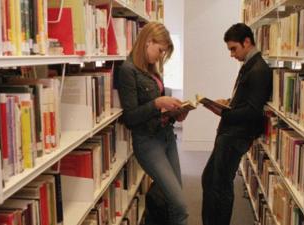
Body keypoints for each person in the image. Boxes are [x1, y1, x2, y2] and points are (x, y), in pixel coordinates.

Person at [115, 22, 188, 225]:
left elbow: (159, 111)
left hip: (166, 136)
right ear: (148, 42)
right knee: (180, 205)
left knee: (174, 201)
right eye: (160, 50)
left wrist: (175, 114)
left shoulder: (152, 70)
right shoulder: (128, 71)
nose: (160, 56)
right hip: (148, 143)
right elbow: (130, 117)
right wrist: (157, 103)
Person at [201, 23, 272, 225]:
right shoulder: (250, 66)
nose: (232, 54)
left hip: (236, 136)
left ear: (247, 42)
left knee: (221, 186)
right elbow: (245, 102)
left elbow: (252, 111)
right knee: (209, 179)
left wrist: (224, 112)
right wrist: (228, 104)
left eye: (234, 48)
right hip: (230, 133)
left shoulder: (259, 70)